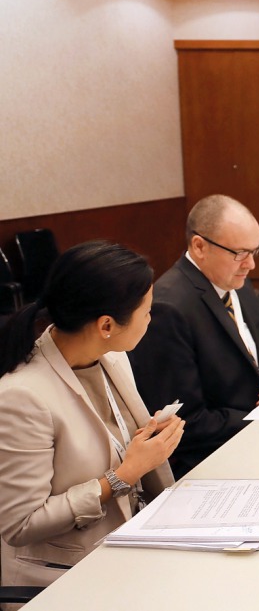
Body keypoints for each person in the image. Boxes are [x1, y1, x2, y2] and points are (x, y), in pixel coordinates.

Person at [0, 241, 183, 589]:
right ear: (106, 325)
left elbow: (108, 438)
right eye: (146, 310)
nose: (151, 317)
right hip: (63, 576)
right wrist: (125, 474)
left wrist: (149, 439)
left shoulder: (111, 357)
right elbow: (20, 524)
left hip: (129, 541)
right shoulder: (22, 397)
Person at [129, 195, 259, 477]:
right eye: (240, 253)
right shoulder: (169, 308)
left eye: (255, 251)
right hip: (215, 458)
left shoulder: (234, 281)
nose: (251, 264)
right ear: (200, 246)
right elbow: (185, 421)